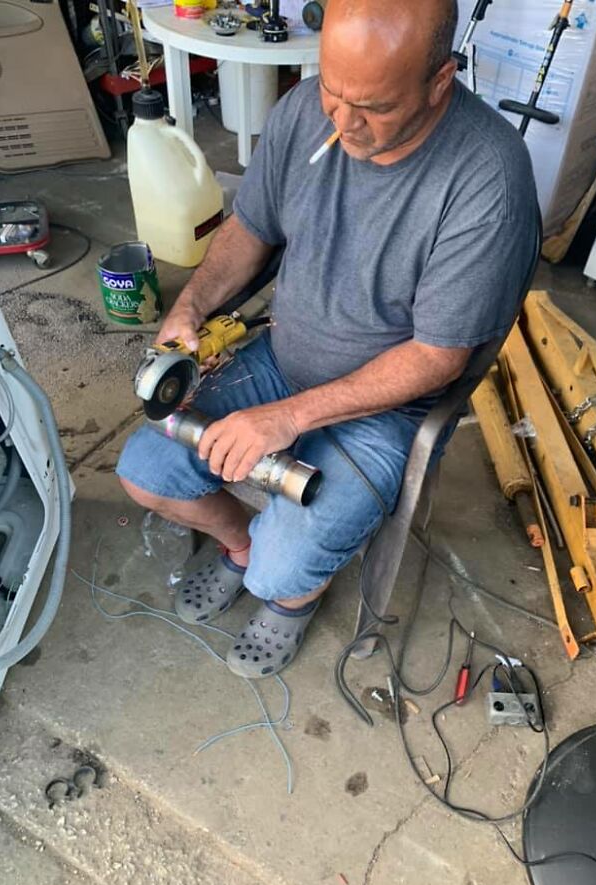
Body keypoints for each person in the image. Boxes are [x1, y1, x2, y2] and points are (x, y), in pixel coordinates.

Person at [117, 0, 540, 679]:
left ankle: (293, 594)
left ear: (440, 81)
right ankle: (242, 549)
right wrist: (192, 305)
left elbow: (439, 357)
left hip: (385, 409)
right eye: (332, 90)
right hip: (283, 358)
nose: (341, 122)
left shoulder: (487, 178)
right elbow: (251, 228)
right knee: (147, 471)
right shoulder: (311, 108)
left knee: (285, 571)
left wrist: (285, 418)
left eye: (372, 106)